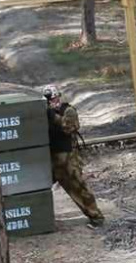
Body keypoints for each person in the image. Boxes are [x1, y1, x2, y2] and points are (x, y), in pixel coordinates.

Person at [45, 85, 105, 227]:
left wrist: (52, 115)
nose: (52, 102)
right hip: (50, 157)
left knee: (78, 187)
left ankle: (96, 217)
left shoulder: (68, 110)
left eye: (54, 99)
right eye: (49, 100)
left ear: (59, 97)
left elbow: (68, 127)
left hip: (67, 158)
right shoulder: (45, 113)